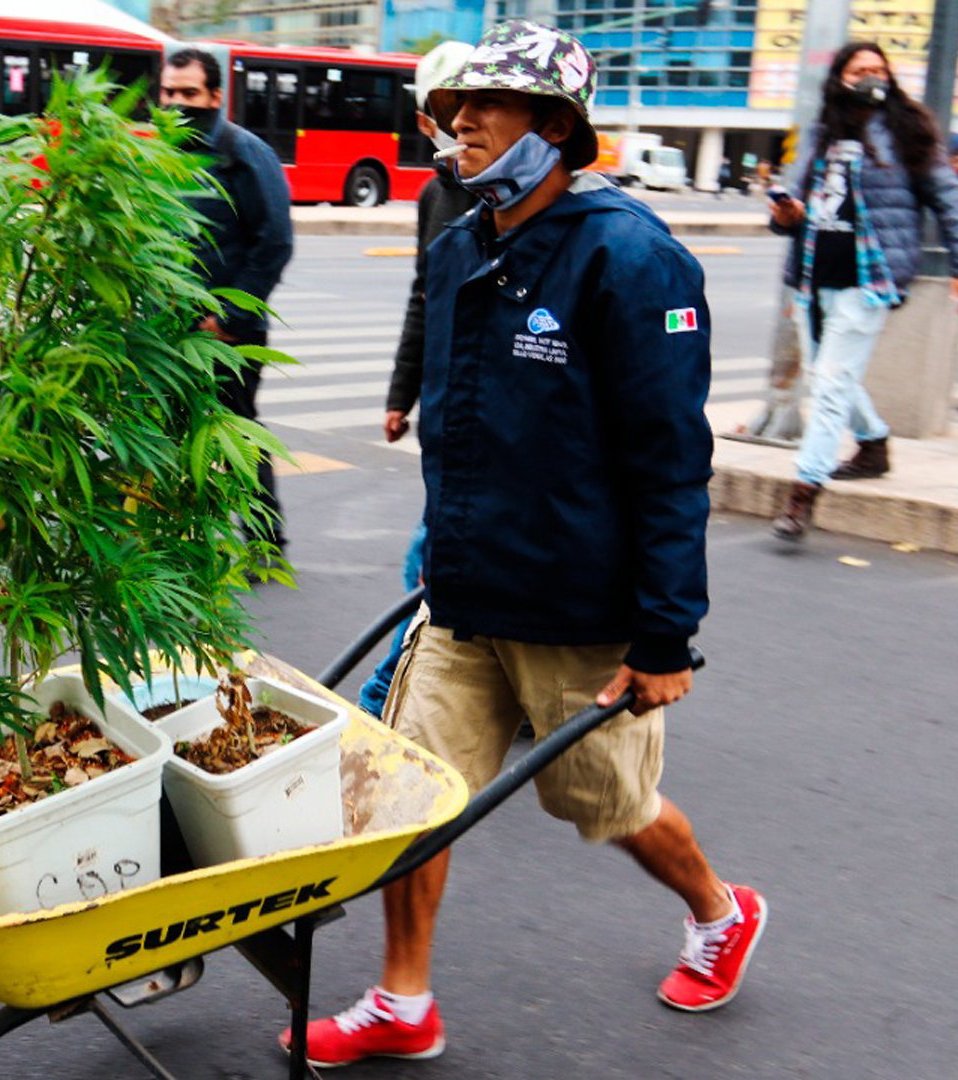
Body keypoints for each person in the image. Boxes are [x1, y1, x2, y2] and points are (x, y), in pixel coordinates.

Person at [284, 22, 761, 1068]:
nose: (458, 122)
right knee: (413, 799)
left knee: (609, 805)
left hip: (576, 603)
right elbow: (463, 424)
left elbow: (670, 463)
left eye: (485, 107)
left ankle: (721, 910)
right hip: (463, 593)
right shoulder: (465, 244)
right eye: (456, 109)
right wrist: (433, 561)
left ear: (554, 127)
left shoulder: (631, 261)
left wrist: (666, 637)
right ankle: (402, 1000)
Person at [767, 41, 958, 539]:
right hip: (812, 273)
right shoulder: (821, 133)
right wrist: (785, 214)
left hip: (870, 279)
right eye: (860, 69)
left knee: (829, 383)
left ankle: (805, 490)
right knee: (829, 374)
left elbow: (949, 200)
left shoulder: (908, 131)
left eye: (878, 69)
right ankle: (874, 442)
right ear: (840, 77)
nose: (870, 77)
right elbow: (792, 206)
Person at [358, 40, 476, 719]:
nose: (456, 125)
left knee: (428, 566)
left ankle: (380, 703)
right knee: (437, 557)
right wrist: (402, 393)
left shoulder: (525, 202)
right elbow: (424, 295)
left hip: (485, 413)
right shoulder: (437, 193)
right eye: (441, 112)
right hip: (446, 405)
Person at [159, 48, 294, 551]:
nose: (177, 103)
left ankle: (263, 541)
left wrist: (229, 318)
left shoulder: (243, 152)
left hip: (226, 334)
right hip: (169, 331)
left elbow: (275, 241)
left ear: (215, 96)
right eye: (169, 93)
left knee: (235, 436)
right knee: (173, 435)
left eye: (189, 93)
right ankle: (182, 539)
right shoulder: (164, 154)